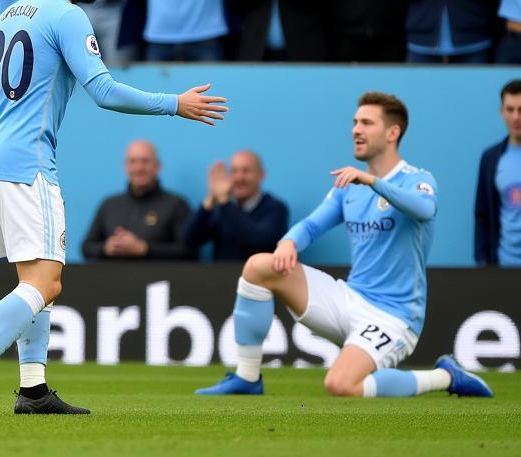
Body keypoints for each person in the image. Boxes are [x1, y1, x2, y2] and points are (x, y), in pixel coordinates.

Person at [0, 0, 227, 418]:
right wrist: (174, 103)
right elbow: (105, 91)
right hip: (27, 162)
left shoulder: (11, 12)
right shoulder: (66, 16)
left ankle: (33, 390)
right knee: (45, 282)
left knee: (36, 279)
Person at [196, 92, 493, 400]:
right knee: (259, 265)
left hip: (393, 316)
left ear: (392, 133)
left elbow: (425, 209)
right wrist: (288, 242)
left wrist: (373, 182)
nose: (356, 129)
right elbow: (311, 226)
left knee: (341, 385)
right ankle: (247, 377)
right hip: (348, 300)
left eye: (367, 122)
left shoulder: (416, 179)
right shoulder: (350, 186)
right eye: (354, 122)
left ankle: (445, 376)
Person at [81, 140, 194, 260]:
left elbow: (189, 251)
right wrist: (106, 248)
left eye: (145, 161)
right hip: (114, 277)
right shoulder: (109, 205)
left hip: (158, 278)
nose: (139, 168)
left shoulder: (177, 205)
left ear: (158, 166)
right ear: (125, 167)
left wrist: (145, 249)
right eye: (132, 161)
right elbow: (87, 247)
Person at [184, 150, 288, 262]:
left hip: (259, 278)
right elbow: (190, 240)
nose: (239, 178)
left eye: (246, 171)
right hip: (222, 276)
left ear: (261, 174)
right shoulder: (221, 209)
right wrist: (210, 199)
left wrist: (224, 201)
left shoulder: (276, 208)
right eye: (234, 171)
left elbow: (259, 241)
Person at [474, 81, 521, 267]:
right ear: (502, 112)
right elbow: (482, 213)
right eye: (510, 110)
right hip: (503, 267)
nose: (516, 117)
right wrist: (483, 260)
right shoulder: (491, 158)